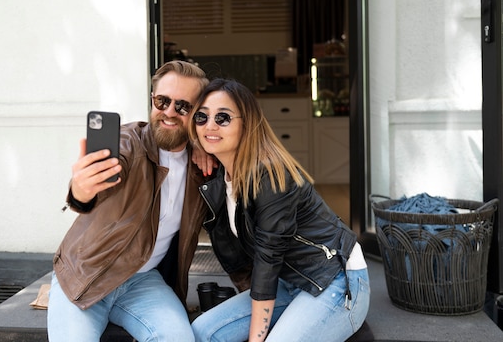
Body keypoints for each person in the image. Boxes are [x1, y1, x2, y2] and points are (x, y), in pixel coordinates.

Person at [189, 78, 370, 342]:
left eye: (223, 118)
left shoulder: (272, 177)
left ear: (247, 123)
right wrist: (195, 144)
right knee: (201, 332)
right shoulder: (219, 175)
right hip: (289, 282)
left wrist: (256, 338)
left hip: (334, 280)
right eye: (202, 117)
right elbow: (167, 129)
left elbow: (267, 260)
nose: (210, 125)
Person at [48, 60, 210, 342]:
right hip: (87, 274)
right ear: (152, 100)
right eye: (162, 101)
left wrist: (203, 147)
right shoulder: (128, 142)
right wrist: (81, 189)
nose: (169, 112)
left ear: (198, 113)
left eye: (183, 106)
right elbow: (95, 185)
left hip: (143, 282)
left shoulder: (202, 165)